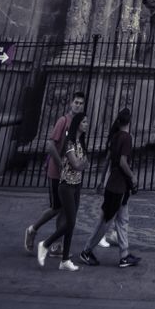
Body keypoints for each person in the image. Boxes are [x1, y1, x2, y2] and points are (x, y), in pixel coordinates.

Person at [78, 107, 140, 268]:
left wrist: (101, 181)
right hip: (118, 187)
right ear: (129, 121)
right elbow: (122, 162)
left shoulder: (114, 137)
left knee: (122, 220)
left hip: (117, 186)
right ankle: (86, 251)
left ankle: (124, 255)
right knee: (105, 221)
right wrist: (133, 177)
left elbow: (107, 160)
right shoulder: (126, 137)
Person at [25, 91, 85, 255]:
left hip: (70, 174)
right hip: (57, 173)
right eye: (76, 102)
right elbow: (50, 146)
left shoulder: (78, 124)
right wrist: (61, 165)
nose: (78, 105)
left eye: (81, 103)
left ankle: (57, 246)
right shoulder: (63, 121)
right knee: (57, 208)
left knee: (65, 210)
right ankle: (33, 229)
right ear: (70, 103)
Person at [37, 112, 88, 271]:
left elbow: (83, 163)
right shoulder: (70, 142)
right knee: (70, 222)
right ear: (78, 124)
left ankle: (65, 260)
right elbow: (77, 164)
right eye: (84, 122)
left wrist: (82, 164)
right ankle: (45, 244)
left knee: (71, 224)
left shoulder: (80, 142)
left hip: (77, 185)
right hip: (66, 185)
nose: (87, 124)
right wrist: (81, 164)